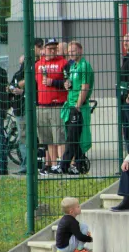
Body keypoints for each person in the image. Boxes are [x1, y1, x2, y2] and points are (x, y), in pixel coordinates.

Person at [58, 42, 94, 175]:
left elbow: (85, 87)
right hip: (70, 105)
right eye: (69, 51)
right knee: (73, 136)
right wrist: (67, 84)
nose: (71, 53)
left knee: (73, 138)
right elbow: (73, 84)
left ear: (81, 50)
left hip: (78, 107)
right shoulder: (73, 66)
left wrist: (78, 106)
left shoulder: (84, 65)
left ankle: (64, 165)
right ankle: (80, 165)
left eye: (74, 50)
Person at [35, 39, 69, 175]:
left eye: (55, 48)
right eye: (50, 49)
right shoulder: (38, 64)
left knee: (59, 136)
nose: (53, 51)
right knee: (47, 138)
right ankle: (53, 164)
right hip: (42, 106)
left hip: (57, 105)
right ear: (44, 49)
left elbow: (68, 82)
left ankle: (62, 163)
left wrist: (53, 82)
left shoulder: (63, 63)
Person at [9, 55, 27, 174]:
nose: (22, 66)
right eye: (20, 63)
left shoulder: (31, 74)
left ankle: (26, 166)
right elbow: (10, 86)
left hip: (26, 109)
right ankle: (25, 165)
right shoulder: (17, 74)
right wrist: (11, 89)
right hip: (18, 109)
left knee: (24, 138)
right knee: (22, 138)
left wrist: (22, 91)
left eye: (23, 63)